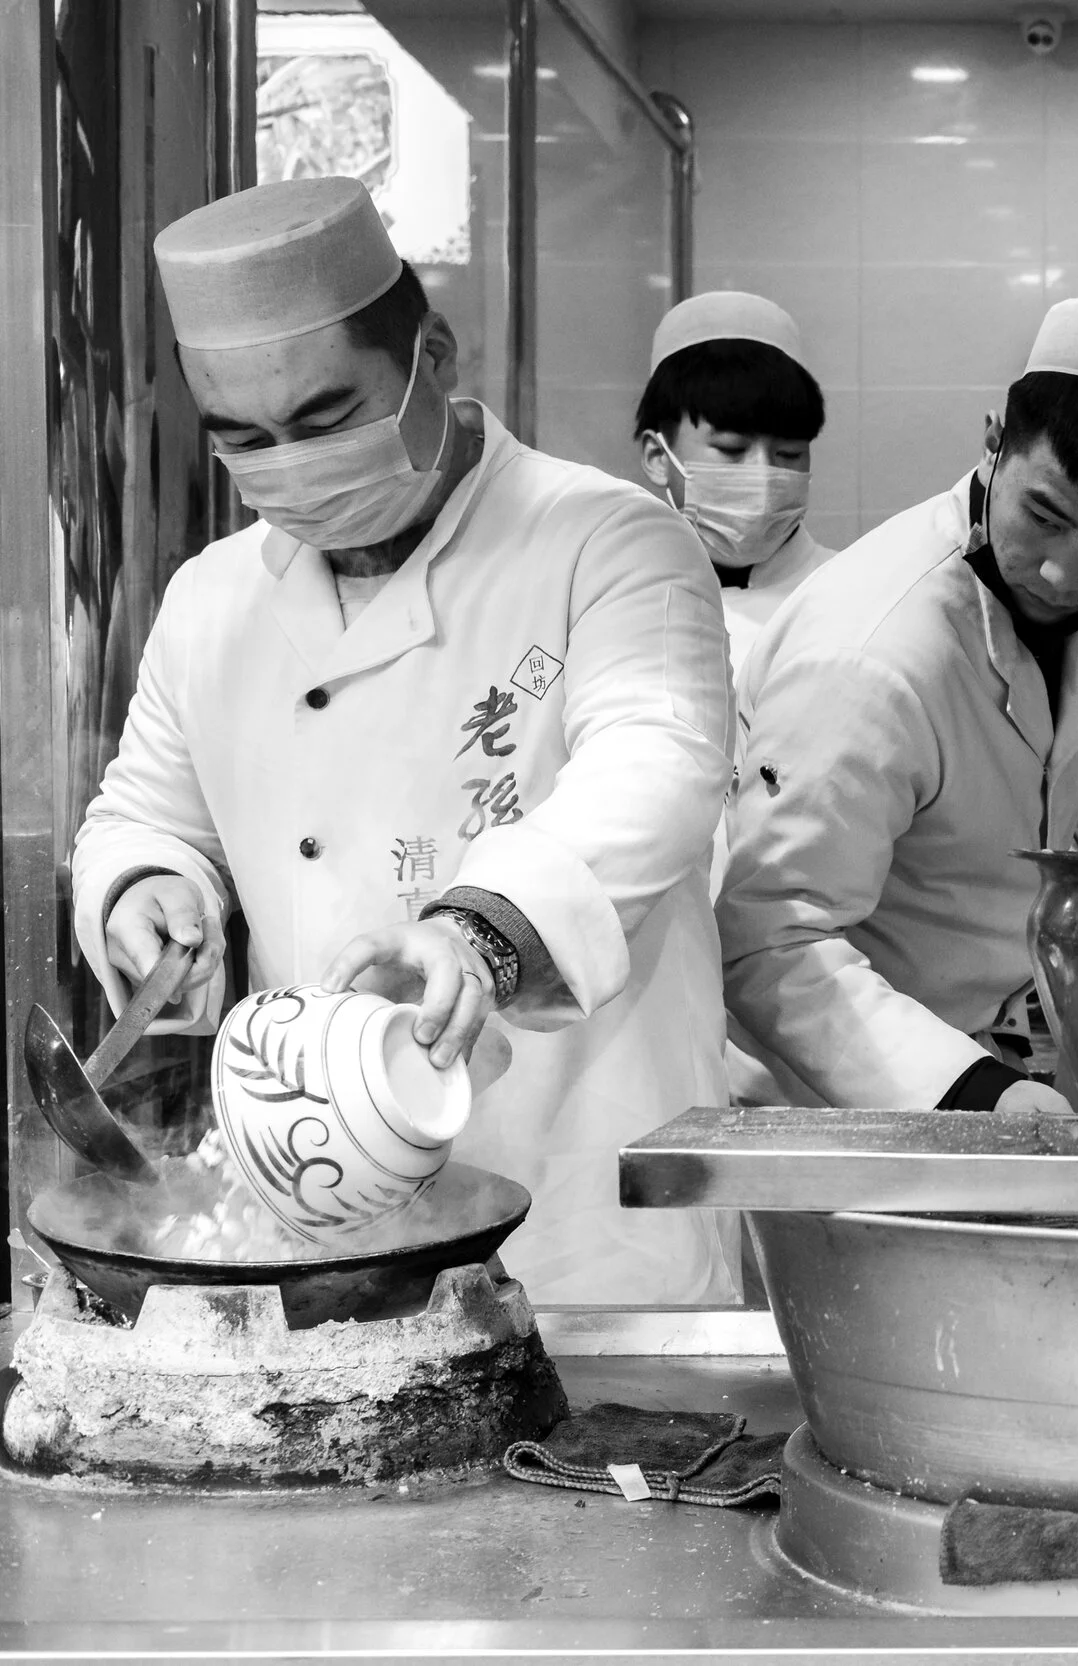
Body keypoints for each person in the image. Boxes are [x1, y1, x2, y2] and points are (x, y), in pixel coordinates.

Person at [75, 177, 739, 1304]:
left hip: (579, 1206)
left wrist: (475, 934)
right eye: (245, 440)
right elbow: (146, 811)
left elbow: (658, 767)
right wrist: (148, 885)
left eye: (324, 421)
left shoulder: (607, 541)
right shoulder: (212, 596)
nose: (288, 464)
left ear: (431, 353)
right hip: (324, 1209)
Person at [719, 298, 1078, 1110]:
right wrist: (976, 1094)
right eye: (1045, 516)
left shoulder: (1038, 608)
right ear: (994, 440)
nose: (1065, 573)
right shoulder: (874, 652)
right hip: (828, 1091)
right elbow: (768, 942)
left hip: (961, 1046)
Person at [635, 291, 834, 674]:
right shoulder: (615, 596)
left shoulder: (853, 593)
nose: (762, 476)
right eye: (732, 449)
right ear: (658, 456)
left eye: (789, 454)